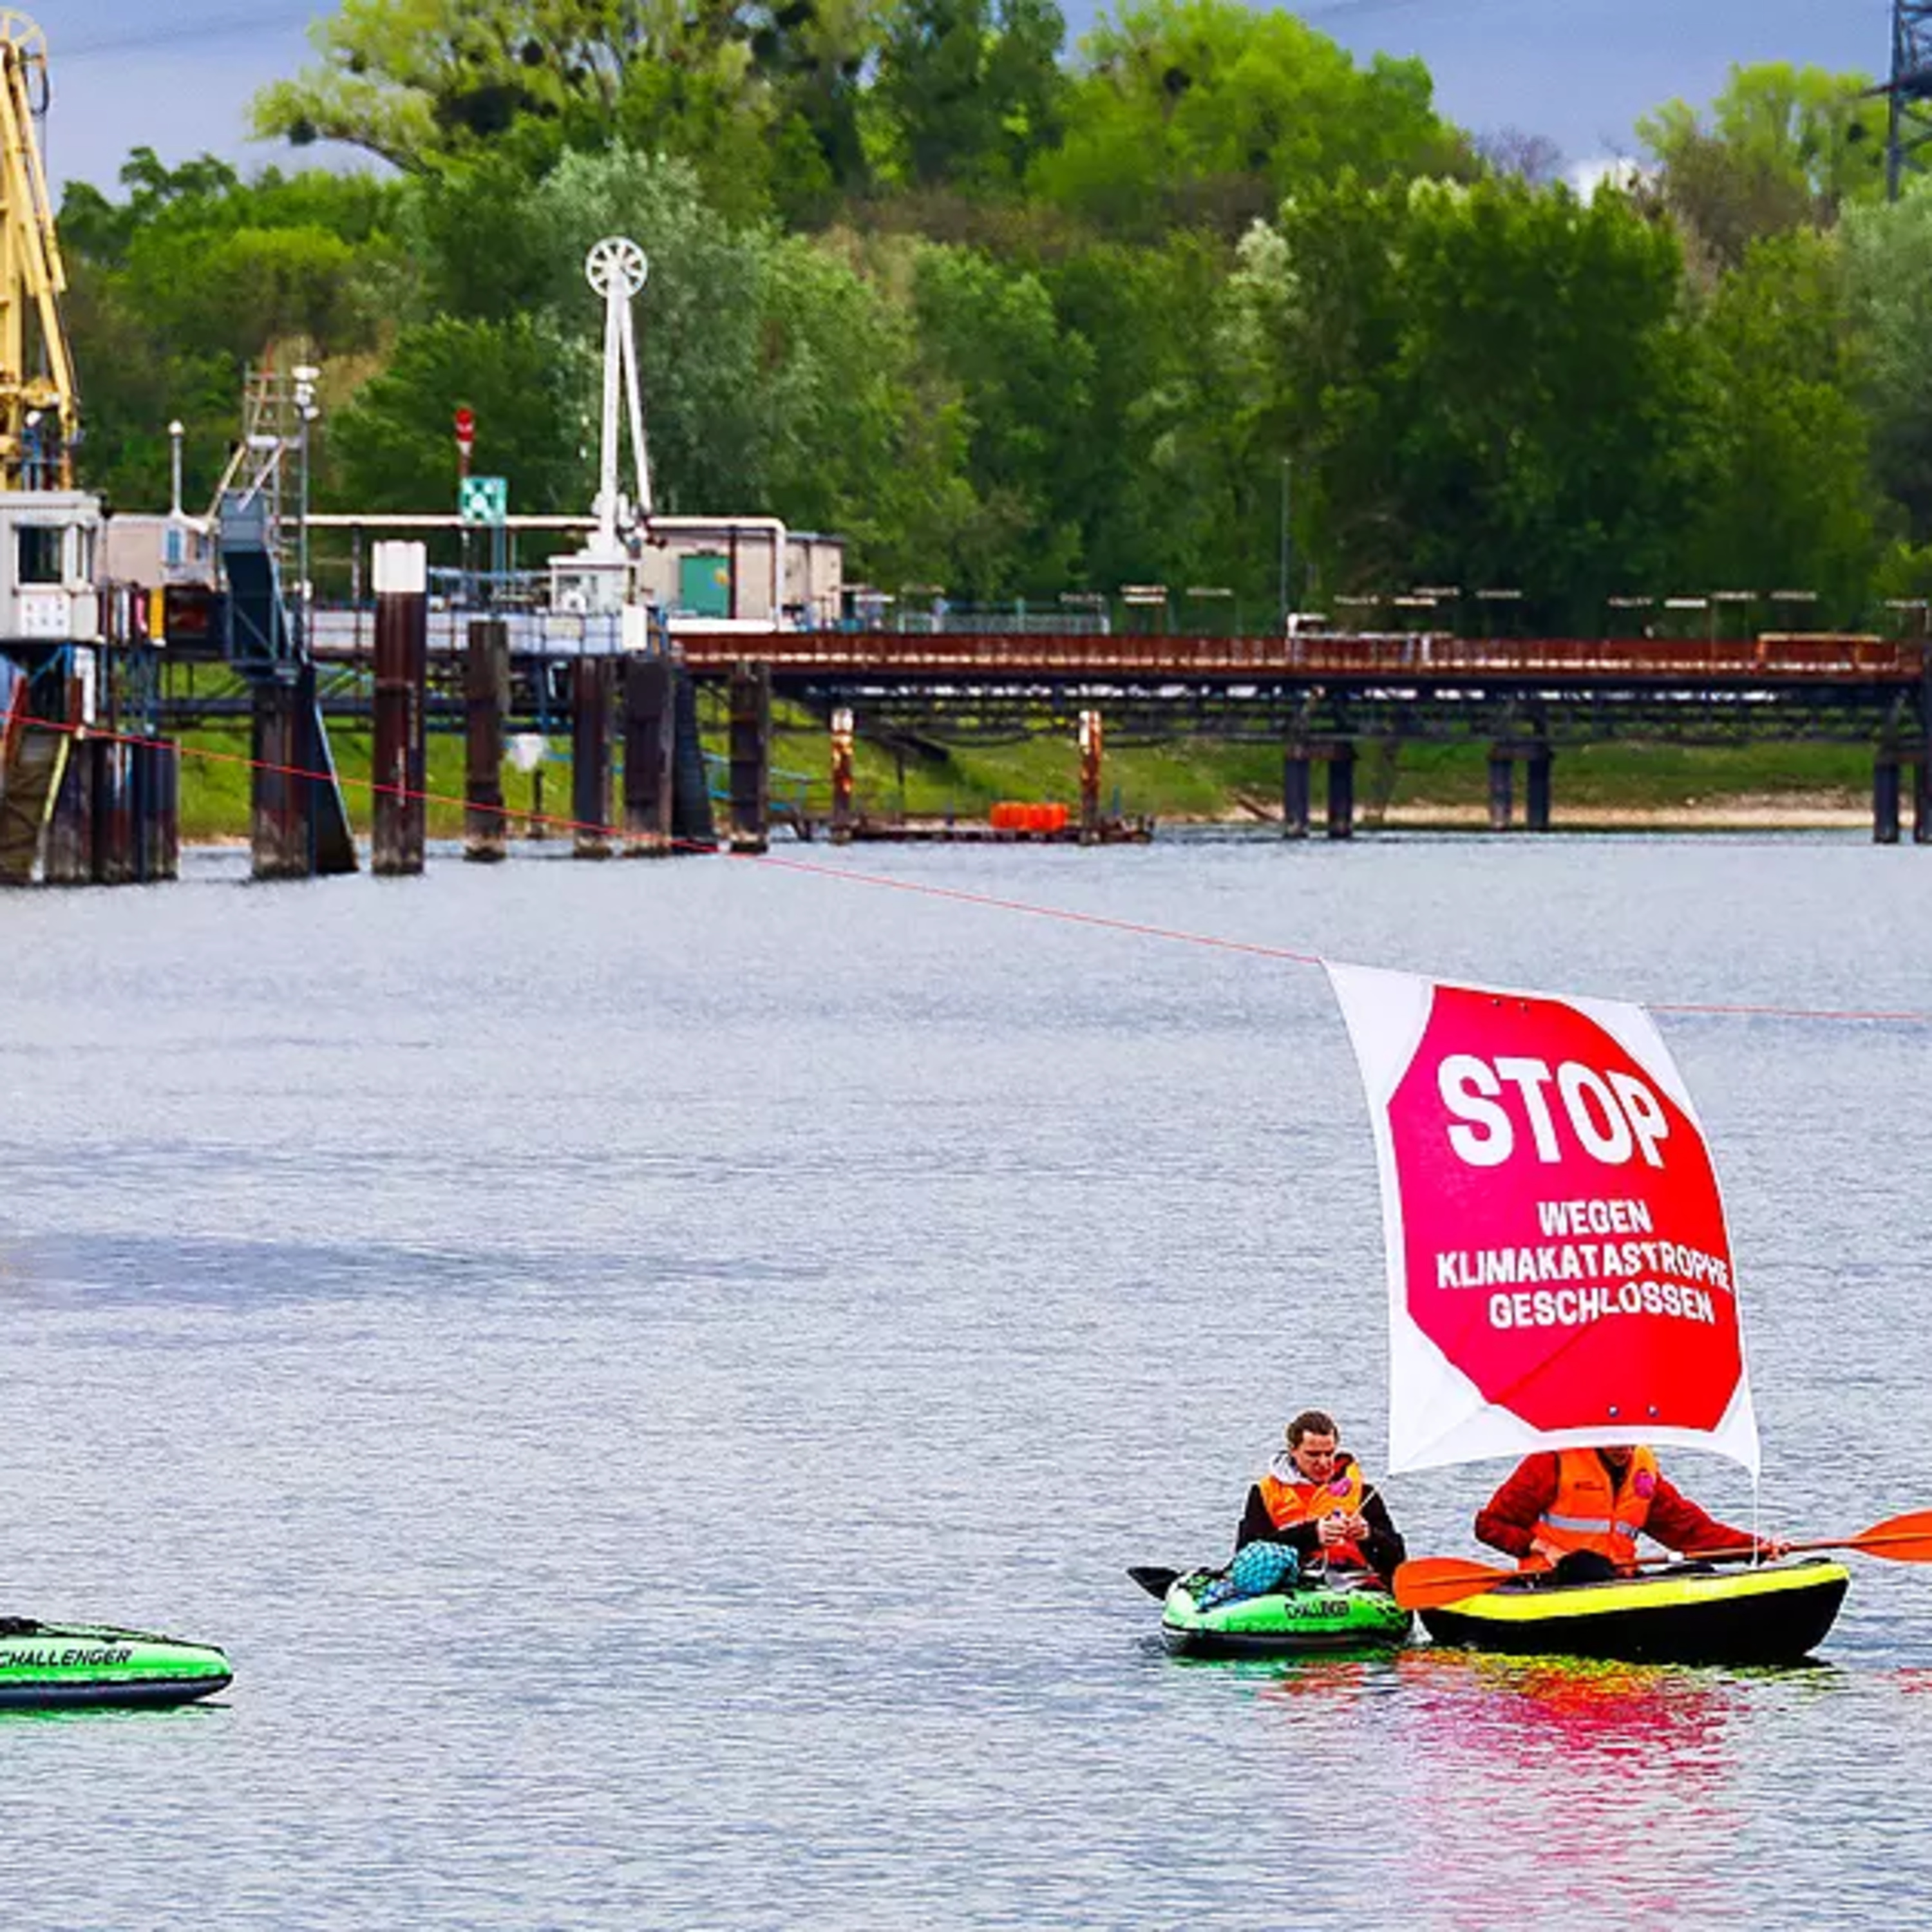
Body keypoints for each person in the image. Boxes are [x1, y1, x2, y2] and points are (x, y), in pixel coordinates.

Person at [1474, 1444, 1789, 1583]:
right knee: (1586, 1567)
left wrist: (1755, 1547)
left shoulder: (1643, 1468)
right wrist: (1542, 1548)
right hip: (1556, 1582)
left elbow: (1690, 1532)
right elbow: (1488, 1526)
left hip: (1618, 1580)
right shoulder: (1552, 1461)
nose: (1624, 1448)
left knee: (1700, 1572)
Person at [1229, 1408, 1407, 1589]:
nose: (1323, 1463)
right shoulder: (1265, 1492)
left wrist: (1368, 1535)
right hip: (1290, 1583)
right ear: (1293, 1451)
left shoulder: (1364, 1492)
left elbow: (1398, 1557)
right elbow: (1246, 1556)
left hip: (1355, 1581)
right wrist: (1312, 1535)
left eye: (1329, 1454)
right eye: (1313, 1455)